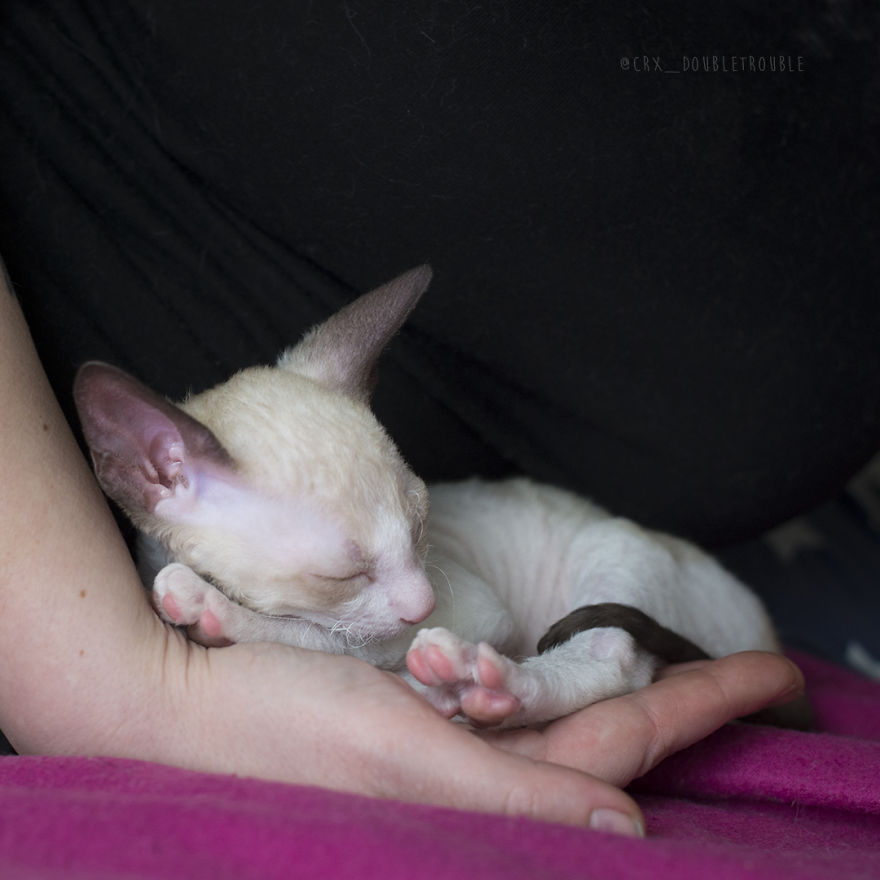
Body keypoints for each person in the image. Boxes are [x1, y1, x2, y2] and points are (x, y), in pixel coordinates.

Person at [0, 1, 871, 834]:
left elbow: (478, 613)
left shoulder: (264, 533)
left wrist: (274, 626)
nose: (414, 591)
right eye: (351, 571)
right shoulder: (169, 543)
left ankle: (584, 669)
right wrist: (146, 687)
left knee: (600, 569)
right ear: (158, 475)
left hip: (660, 594)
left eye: (410, 521)